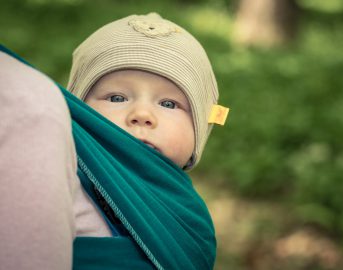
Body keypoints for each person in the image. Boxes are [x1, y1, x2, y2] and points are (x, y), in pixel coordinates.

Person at [0, 13, 228, 270]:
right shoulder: (63, 173)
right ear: (81, 116)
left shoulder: (189, 214)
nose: (141, 115)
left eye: (168, 103)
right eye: (116, 98)